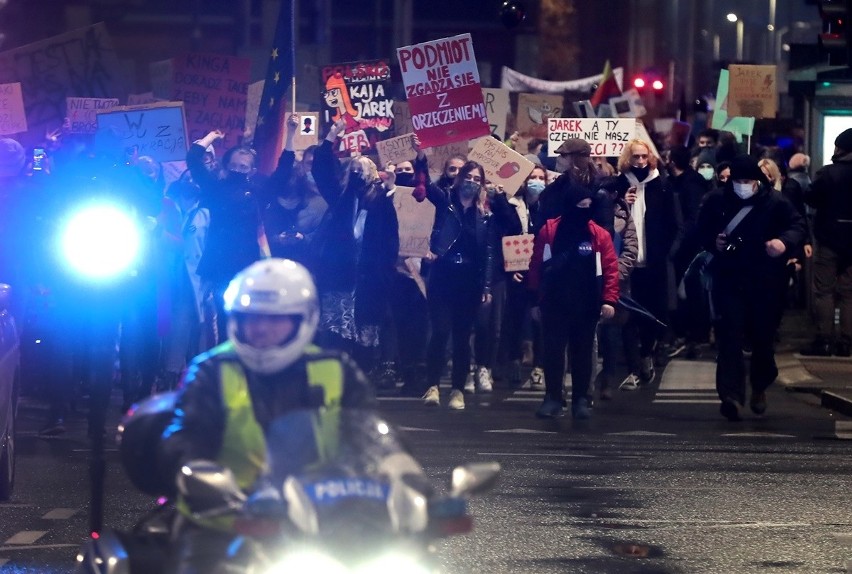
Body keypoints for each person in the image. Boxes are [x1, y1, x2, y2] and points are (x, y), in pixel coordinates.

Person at [156, 258, 386, 574]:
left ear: (303, 319)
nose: (260, 328)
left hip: (323, 521)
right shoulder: (211, 371)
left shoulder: (337, 369)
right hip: (221, 524)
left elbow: (371, 438)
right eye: (250, 318)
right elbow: (185, 436)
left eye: (274, 319)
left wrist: (395, 479)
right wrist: (197, 474)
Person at [696, 155, 805, 421]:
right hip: (730, 278)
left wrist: (782, 242)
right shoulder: (717, 200)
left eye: (748, 181)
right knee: (730, 336)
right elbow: (700, 230)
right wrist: (715, 242)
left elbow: (798, 225)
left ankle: (759, 385)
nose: (743, 186)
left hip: (766, 280)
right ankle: (731, 395)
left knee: (763, 338)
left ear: (757, 181)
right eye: (738, 181)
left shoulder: (775, 202)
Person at [310, 119, 399, 374]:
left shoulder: (382, 202)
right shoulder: (340, 196)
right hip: (340, 277)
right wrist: (331, 137)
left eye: (364, 169)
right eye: (354, 170)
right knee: (336, 334)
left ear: (374, 174)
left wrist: (385, 275)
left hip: (369, 280)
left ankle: (362, 383)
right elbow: (321, 170)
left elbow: (391, 240)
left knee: (365, 335)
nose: (358, 173)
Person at [527, 181, 619, 418]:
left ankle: (581, 398)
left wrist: (609, 300)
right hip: (555, 302)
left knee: (582, 352)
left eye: (588, 206)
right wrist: (536, 300)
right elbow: (537, 266)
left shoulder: (598, 235)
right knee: (554, 351)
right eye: (580, 206)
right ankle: (553, 397)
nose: (585, 210)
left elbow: (610, 268)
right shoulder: (549, 231)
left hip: (586, 302)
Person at [418, 160, 494, 410]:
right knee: (440, 331)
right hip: (443, 276)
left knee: (462, 338)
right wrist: (421, 157)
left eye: (477, 178)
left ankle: (457, 389)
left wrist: (486, 287)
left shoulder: (484, 214)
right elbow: (427, 187)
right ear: (460, 178)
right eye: (468, 176)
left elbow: (489, 253)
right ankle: (432, 386)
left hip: (469, 282)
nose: (472, 181)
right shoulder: (446, 202)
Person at [187, 131, 272, 345]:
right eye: (234, 165)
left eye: (243, 167)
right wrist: (210, 138)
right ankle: (225, 365)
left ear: (252, 171)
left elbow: (282, 174)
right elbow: (194, 161)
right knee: (224, 319)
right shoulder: (215, 188)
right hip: (220, 265)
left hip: (247, 266)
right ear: (226, 166)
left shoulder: (257, 192)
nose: (237, 170)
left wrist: (290, 134)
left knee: (246, 320)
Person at [616, 139, 677, 390]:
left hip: (653, 262)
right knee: (628, 316)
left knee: (652, 313)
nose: (640, 162)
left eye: (643, 157)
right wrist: (623, 202)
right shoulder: (620, 183)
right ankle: (632, 368)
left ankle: (646, 353)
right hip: (627, 262)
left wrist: (665, 252)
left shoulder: (660, 184)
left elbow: (673, 223)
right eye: (635, 157)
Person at [802, 129, 852, 356]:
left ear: (840, 148)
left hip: (829, 239)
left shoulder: (828, 173)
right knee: (849, 293)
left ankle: (824, 339)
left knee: (824, 291)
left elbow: (812, 197)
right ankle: (846, 341)